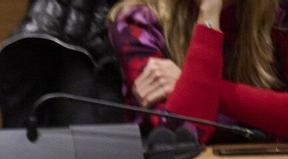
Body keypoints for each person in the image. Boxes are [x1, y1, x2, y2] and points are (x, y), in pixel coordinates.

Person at [109, 0, 288, 140]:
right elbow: (185, 133)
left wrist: (188, 84)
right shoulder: (139, 21)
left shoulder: (278, 18)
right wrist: (209, 13)